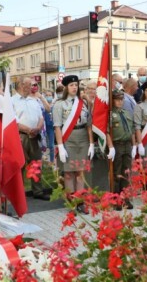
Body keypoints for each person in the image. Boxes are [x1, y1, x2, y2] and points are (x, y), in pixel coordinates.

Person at [53, 75, 95, 213]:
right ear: (66, 87)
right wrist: (60, 146)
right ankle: (71, 202)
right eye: (71, 85)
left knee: (80, 173)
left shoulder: (83, 103)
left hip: (82, 137)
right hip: (68, 139)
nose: (74, 87)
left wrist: (91, 143)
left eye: (76, 85)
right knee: (69, 174)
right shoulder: (60, 104)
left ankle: (80, 202)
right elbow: (58, 126)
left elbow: (89, 124)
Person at [11, 77, 50, 201]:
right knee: (20, 164)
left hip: (35, 136)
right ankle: (19, 193)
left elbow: (41, 117)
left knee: (36, 164)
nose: (33, 87)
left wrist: (38, 128)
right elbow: (12, 121)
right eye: (30, 84)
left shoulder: (33, 101)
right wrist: (28, 130)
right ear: (22, 85)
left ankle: (37, 191)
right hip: (21, 136)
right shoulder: (12, 101)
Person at [106, 89, 135, 209]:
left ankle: (125, 198)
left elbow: (132, 130)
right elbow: (107, 131)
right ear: (112, 100)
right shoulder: (110, 115)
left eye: (121, 99)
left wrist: (134, 145)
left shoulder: (126, 113)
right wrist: (111, 146)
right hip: (117, 144)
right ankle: (116, 199)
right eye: (117, 99)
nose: (120, 102)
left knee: (126, 173)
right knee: (116, 173)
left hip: (127, 144)